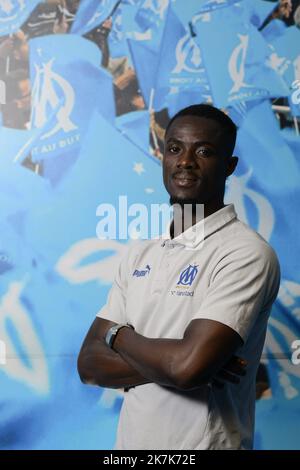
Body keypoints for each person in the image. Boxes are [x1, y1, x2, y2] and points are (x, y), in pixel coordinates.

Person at [77, 104, 280, 450]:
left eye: (204, 151)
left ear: (229, 166)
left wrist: (115, 335)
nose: (185, 161)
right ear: (163, 157)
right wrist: (181, 364)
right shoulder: (142, 252)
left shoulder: (245, 253)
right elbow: (89, 365)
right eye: (175, 148)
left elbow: (187, 367)